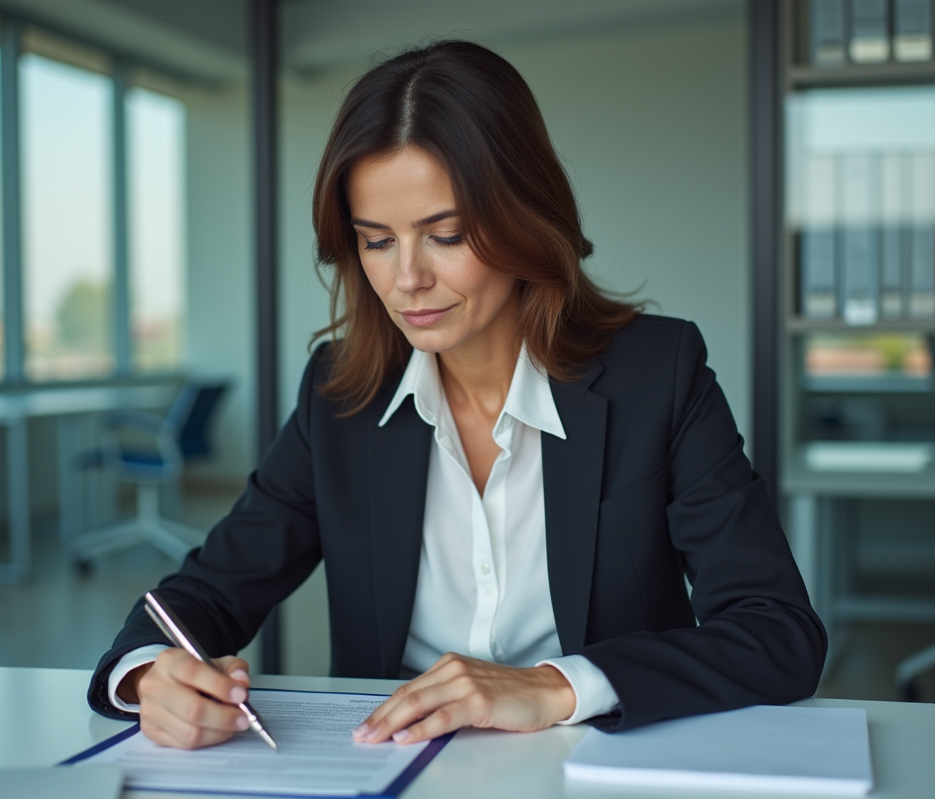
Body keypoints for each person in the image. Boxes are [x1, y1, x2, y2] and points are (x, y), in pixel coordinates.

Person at [87, 40, 826, 750]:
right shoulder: (338, 396)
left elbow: (777, 630)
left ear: (524, 221)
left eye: (446, 235)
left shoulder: (657, 374)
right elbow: (202, 595)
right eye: (377, 241)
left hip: (591, 765)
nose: (406, 279)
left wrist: (553, 688)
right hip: (390, 767)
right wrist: (152, 675)